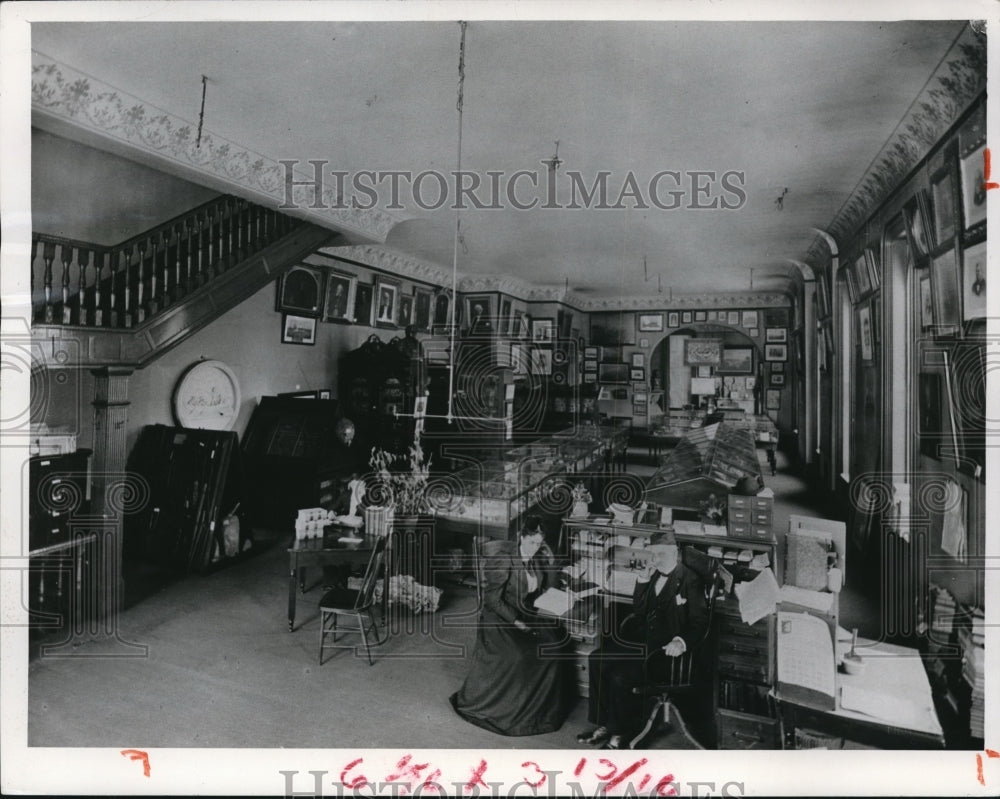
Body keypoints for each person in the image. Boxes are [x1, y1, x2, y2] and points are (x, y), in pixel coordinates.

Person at [578, 530, 709, 749]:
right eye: (652, 553)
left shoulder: (690, 581)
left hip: (664, 652)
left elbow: (700, 623)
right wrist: (643, 580)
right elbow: (639, 611)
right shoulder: (655, 572)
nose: (654, 559)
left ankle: (620, 732)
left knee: (621, 676)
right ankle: (604, 725)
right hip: (641, 640)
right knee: (596, 658)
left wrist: (681, 642)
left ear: (673, 553)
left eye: (659, 554)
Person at [450, 516, 572, 736]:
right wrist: (517, 622)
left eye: (540, 543)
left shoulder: (536, 558)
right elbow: (492, 600)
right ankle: (511, 711)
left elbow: (544, 587)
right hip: (500, 619)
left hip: (526, 613)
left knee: (554, 645)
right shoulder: (504, 560)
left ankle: (539, 712)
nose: (535, 548)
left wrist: (551, 562)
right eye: (532, 542)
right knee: (519, 656)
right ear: (521, 538)